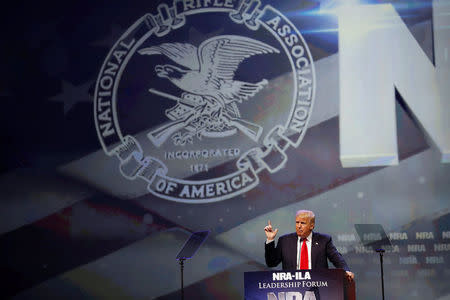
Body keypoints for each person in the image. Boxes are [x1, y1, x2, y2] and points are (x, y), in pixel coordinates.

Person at [264, 209, 354, 282]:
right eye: (297, 222)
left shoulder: (324, 240)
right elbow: (271, 262)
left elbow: (337, 259)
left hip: (318, 286)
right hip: (292, 287)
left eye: (302, 223)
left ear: (312, 226)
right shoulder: (285, 240)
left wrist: (346, 271)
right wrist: (270, 240)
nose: (299, 226)